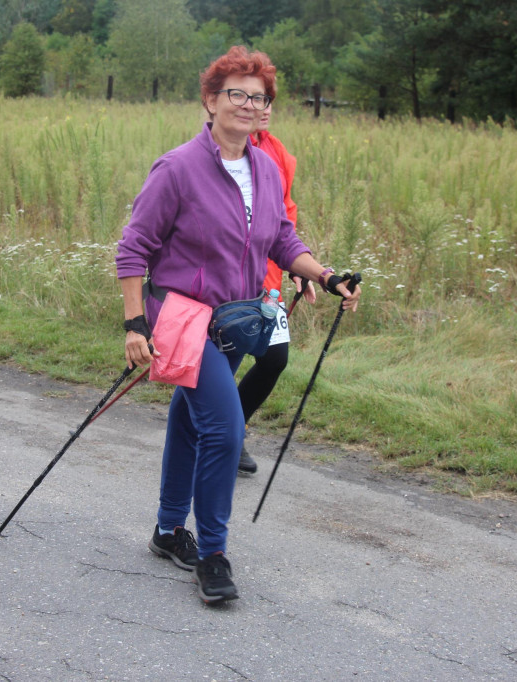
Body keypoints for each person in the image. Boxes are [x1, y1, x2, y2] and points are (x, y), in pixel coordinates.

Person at [116, 45, 361, 604]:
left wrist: (324, 276)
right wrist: (135, 324)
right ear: (210, 100)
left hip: (233, 318)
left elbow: (279, 239)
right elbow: (134, 250)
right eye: (239, 95)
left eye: (261, 98)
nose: (251, 105)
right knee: (224, 429)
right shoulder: (177, 168)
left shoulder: (266, 168)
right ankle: (213, 553)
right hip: (180, 318)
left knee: (188, 419)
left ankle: (166, 529)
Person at [236, 102, 316, 475]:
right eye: (253, 99)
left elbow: (286, 213)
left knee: (274, 359)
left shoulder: (277, 152)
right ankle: (216, 434)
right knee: (222, 361)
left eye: (268, 100)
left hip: (269, 278)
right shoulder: (223, 151)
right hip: (230, 280)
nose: (263, 108)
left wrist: (300, 266)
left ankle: (229, 433)